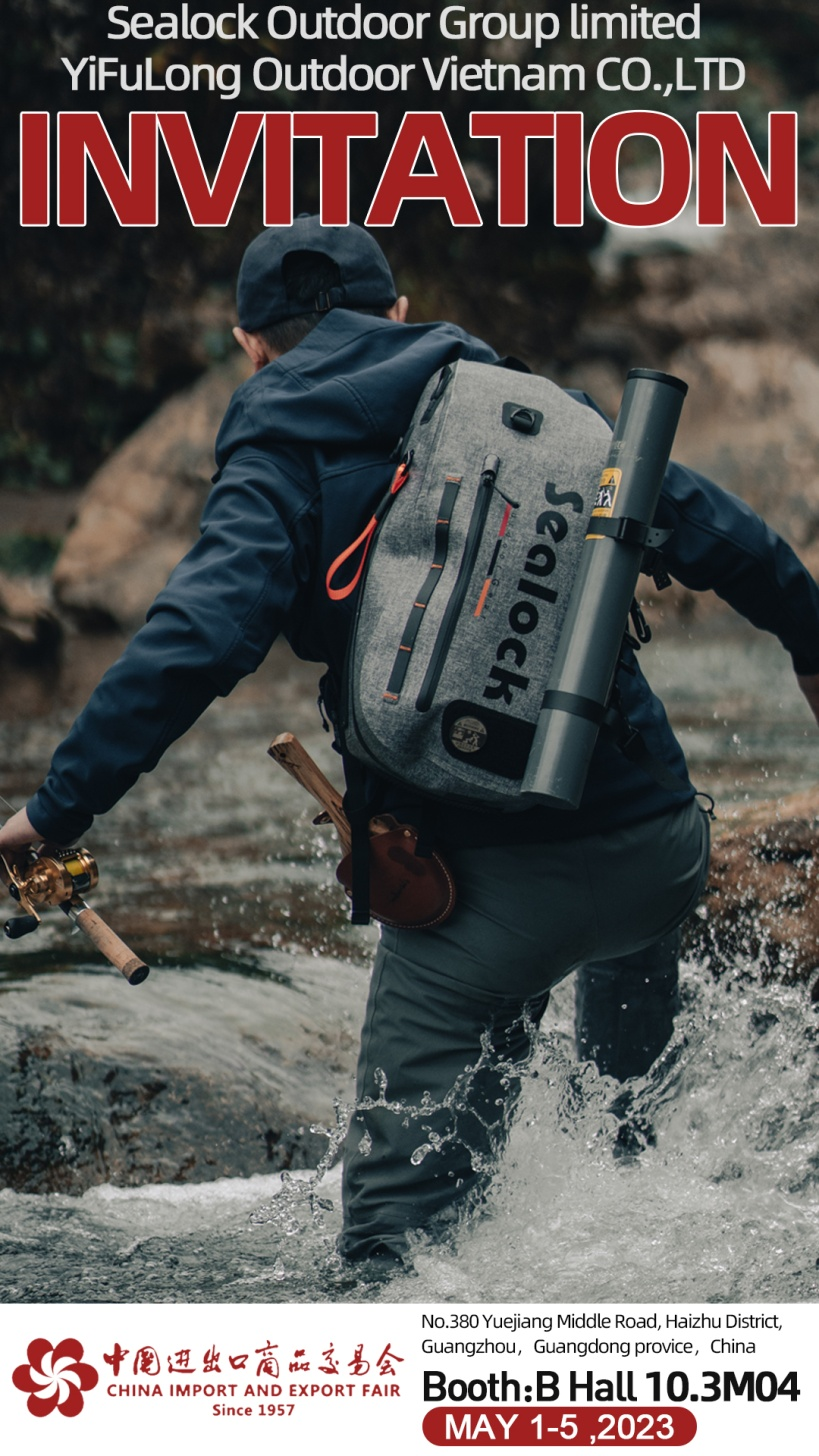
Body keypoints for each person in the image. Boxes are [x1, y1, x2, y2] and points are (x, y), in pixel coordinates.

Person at [2, 217, 819, 1272]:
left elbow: (195, 641)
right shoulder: (521, 406)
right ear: (399, 313)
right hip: (652, 847)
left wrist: (55, 808)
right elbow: (728, 536)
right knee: (635, 1140)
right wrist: (809, 645)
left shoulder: (280, 446)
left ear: (250, 343)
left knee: (393, 1245)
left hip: (475, 888)